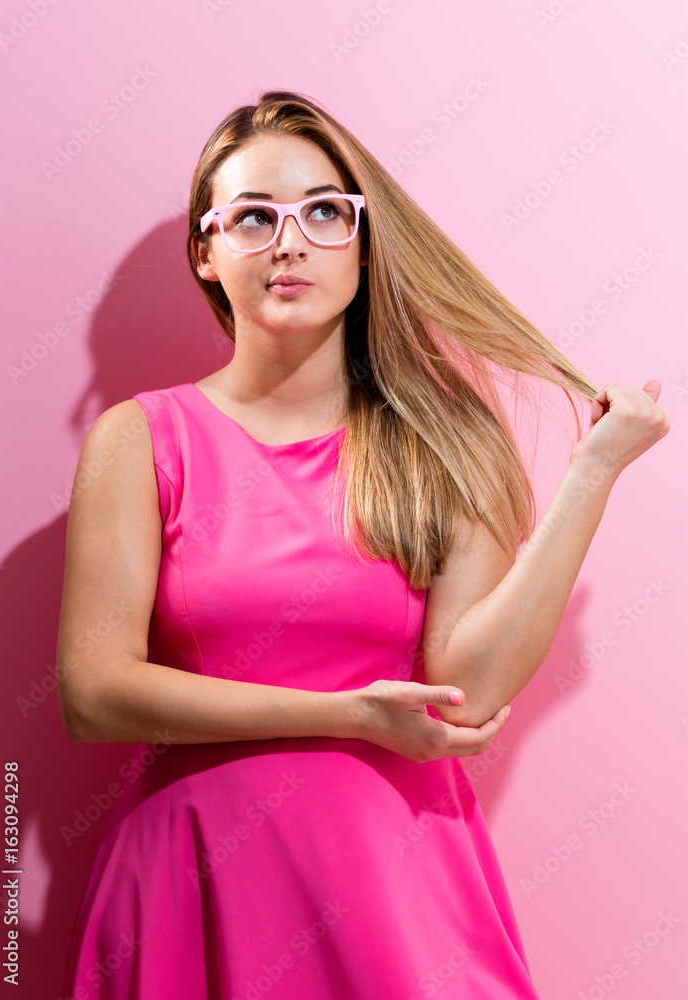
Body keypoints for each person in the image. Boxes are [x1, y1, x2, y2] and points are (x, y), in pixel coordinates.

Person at [57, 89, 669, 1000]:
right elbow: (94, 697)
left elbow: (469, 693)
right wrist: (348, 714)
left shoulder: (443, 443)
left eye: (322, 212)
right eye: (254, 216)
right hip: (191, 888)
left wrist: (592, 474)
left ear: (363, 238)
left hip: (399, 896)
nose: (289, 239)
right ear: (207, 251)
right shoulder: (140, 441)